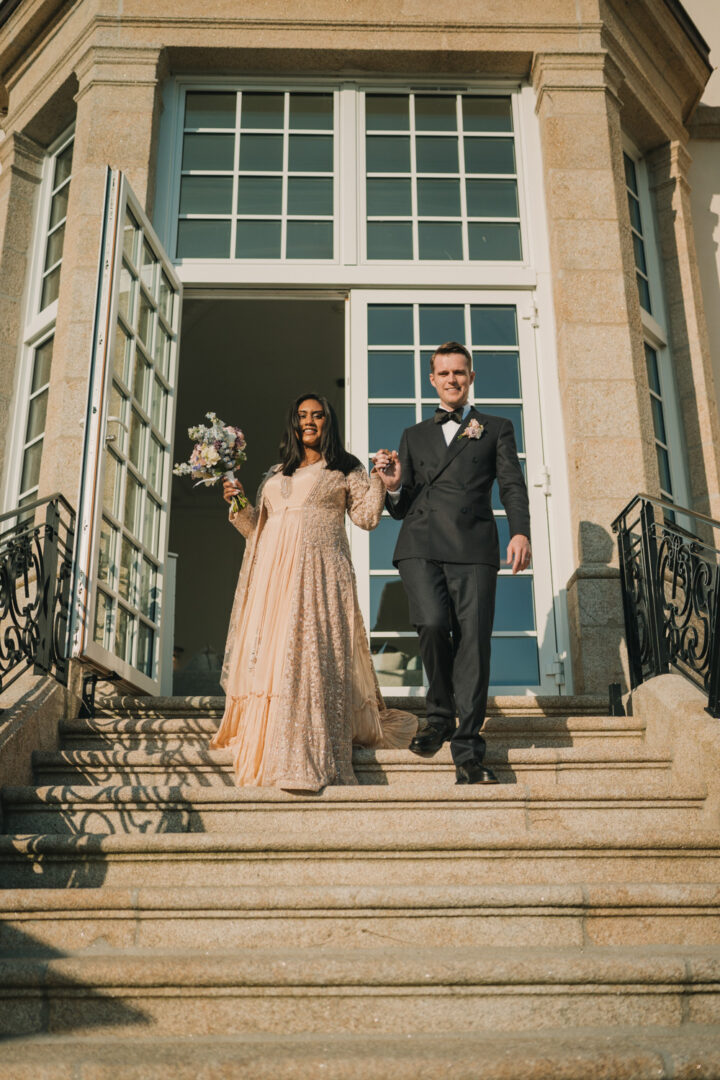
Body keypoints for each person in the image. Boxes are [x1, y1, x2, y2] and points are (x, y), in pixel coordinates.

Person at [212, 393, 417, 791]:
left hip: (322, 574)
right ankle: (271, 747)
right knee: (277, 661)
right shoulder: (275, 471)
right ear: (293, 423)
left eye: (318, 416)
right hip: (274, 577)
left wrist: (381, 480)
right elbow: (259, 531)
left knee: (310, 660)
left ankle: (309, 757)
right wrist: (237, 505)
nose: (309, 422)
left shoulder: (345, 466)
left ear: (328, 422)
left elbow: (366, 518)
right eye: (302, 416)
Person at [374, 342, 531, 785]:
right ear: (432, 380)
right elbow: (401, 507)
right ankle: (439, 715)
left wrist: (520, 531)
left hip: (474, 549)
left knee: (474, 646)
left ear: (471, 377)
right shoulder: (414, 435)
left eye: (459, 372)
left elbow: (512, 486)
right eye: (443, 373)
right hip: (420, 544)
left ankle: (467, 751)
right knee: (430, 622)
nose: (452, 380)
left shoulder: (495, 427)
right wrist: (391, 486)